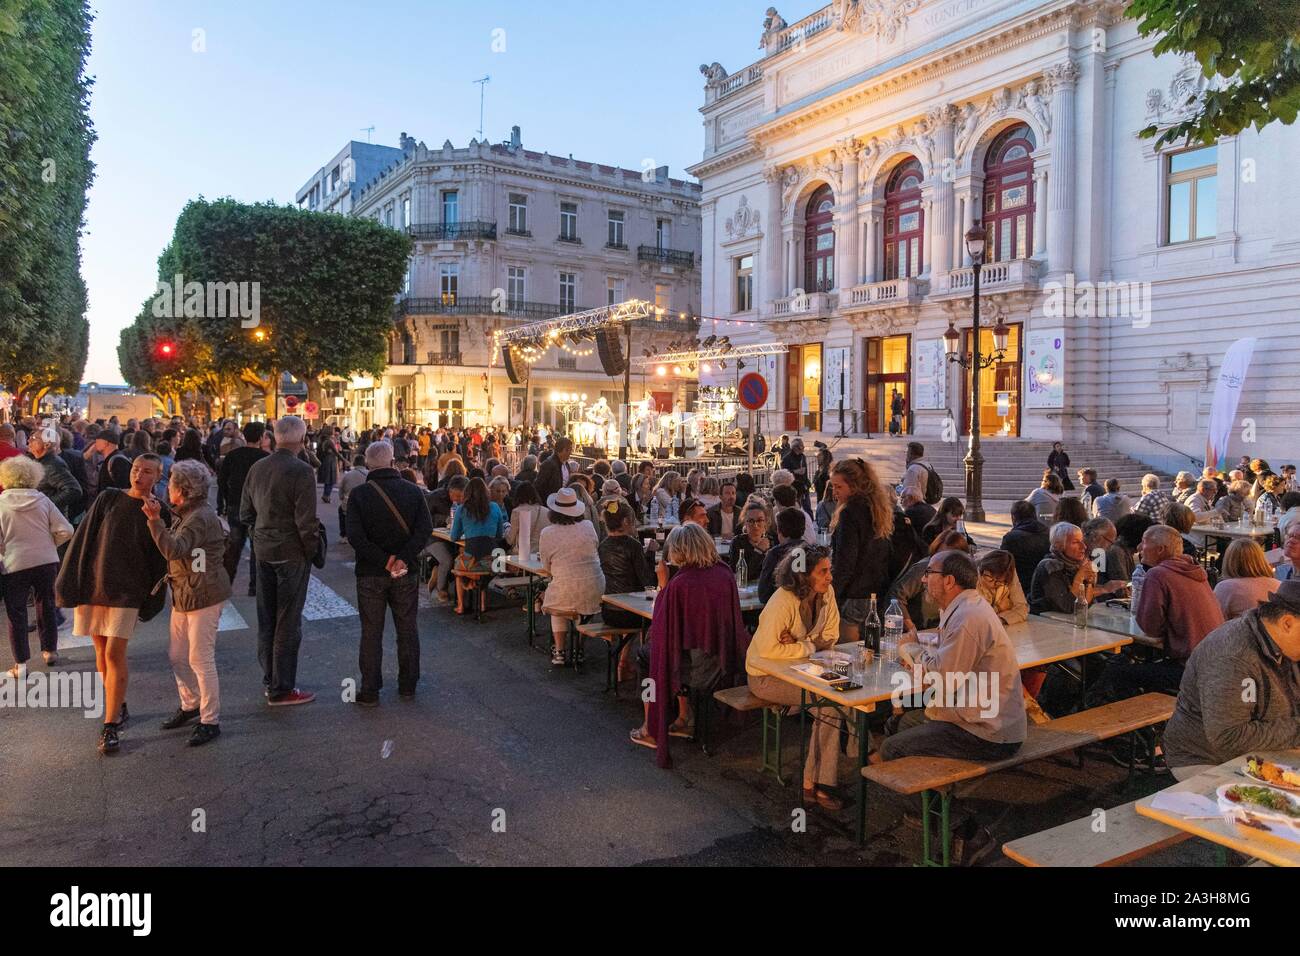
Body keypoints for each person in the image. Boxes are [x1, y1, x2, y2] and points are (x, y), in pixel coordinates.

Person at [55, 454, 170, 753]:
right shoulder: (108, 498)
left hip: (127, 592)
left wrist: (152, 598)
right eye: (135, 469)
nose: (138, 476)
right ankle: (117, 702)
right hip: (96, 585)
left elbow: (160, 558)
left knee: (115, 652)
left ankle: (109, 725)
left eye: (146, 472)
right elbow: (85, 538)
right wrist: (71, 581)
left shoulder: (159, 510)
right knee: (100, 651)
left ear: (157, 477)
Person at [878, 550, 1027, 761]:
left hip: (988, 733)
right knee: (903, 722)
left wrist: (910, 648)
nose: (923, 579)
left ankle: (939, 791)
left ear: (948, 581)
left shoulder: (967, 617)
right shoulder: (964, 607)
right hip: (983, 718)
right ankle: (934, 790)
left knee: (890, 749)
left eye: (929, 572)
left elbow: (942, 678)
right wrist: (920, 655)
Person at [635, 523, 750, 768]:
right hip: (724, 661)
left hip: (698, 669)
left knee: (647, 656)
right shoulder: (724, 572)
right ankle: (684, 715)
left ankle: (651, 725)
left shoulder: (681, 584)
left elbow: (663, 627)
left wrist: (664, 584)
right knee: (676, 653)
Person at [1162, 581, 1300, 780]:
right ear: (1287, 623)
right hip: (1206, 759)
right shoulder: (1233, 656)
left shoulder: (1284, 645)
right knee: (1285, 808)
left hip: (1264, 753)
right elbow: (1228, 736)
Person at [746, 545, 846, 808]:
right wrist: (810, 646)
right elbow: (769, 651)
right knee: (830, 705)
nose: (830, 577)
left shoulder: (827, 594)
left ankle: (865, 755)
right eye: (823, 571)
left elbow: (832, 635)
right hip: (764, 676)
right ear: (803, 575)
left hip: (803, 671)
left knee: (850, 694)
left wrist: (798, 642)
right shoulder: (783, 601)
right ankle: (814, 783)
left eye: (830, 570)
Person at [141, 459, 230, 746]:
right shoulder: (189, 513)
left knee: (199, 658)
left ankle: (210, 719)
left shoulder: (199, 517)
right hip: (186, 592)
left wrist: (155, 521)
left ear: (183, 490)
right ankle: (190, 704)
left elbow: (174, 549)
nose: (168, 489)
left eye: (171, 485)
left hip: (203, 592)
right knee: (178, 655)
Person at [1092, 525, 1224, 704]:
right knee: (1134, 667)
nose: (1139, 547)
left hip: (1189, 670)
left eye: (1144, 542)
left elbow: (1150, 628)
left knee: (1116, 673)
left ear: (1161, 549)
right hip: (1216, 665)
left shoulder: (1158, 575)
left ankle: (1137, 726)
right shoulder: (1194, 571)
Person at [239, 416, 320, 707]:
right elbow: (306, 521)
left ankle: (270, 677)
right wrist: (311, 550)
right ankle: (282, 686)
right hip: (290, 551)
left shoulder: (258, 467)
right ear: (302, 439)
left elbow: (245, 513)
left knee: (267, 618)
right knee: (287, 620)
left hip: (263, 549)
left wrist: (260, 532)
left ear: (274, 438)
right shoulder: (301, 471)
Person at [346, 440, 433, 705]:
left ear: (368, 464)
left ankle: (370, 688)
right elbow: (424, 529)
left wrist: (384, 560)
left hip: (371, 572)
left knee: (371, 631)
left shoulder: (360, 495)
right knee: (407, 627)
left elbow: (355, 537)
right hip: (405, 571)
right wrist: (403, 558)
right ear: (393, 460)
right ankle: (408, 683)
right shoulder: (412, 491)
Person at [0, 456, 73, 672]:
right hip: (45, 561)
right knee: (47, 605)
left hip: (13, 564)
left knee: (16, 612)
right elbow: (66, 530)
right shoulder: (43, 500)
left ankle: (21, 663)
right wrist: (50, 543)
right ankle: (50, 651)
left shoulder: (1, 504)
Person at [830, 458, 896, 642]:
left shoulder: (849, 512)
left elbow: (845, 561)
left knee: (847, 655)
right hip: (877, 591)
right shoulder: (877, 508)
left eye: (838, 487)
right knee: (870, 652)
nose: (834, 493)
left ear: (854, 486)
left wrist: (831, 593)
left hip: (854, 594)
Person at [540, 487, 604, 666]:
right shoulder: (588, 526)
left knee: (558, 595)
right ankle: (579, 647)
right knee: (574, 597)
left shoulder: (548, 533)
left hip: (565, 589)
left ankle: (560, 650)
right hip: (595, 587)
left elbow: (546, 568)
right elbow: (595, 547)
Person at [1028, 522, 1126, 614]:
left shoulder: (1076, 564)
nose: (1083, 547)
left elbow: (1085, 603)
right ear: (1059, 545)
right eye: (1075, 542)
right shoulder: (1050, 566)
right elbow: (1069, 606)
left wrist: (1091, 582)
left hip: (1064, 622)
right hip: (1043, 622)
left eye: (1082, 541)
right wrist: (1080, 576)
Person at [219, 421, 269, 596]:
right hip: (257, 507)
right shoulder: (264, 458)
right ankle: (255, 586)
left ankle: (225, 584)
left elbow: (222, 480)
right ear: (262, 437)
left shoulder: (233, 456)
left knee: (233, 547)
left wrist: (225, 501)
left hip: (236, 504)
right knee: (257, 547)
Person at [890, 530, 971, 633]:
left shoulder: (963, 572)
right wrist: (911, 627)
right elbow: (896, 594)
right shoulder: (925, 569)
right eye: (940, 554)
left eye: (949, 557)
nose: (942, 560)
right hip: (922, 629)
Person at [449, 475, 505, 614]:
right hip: (494, 562)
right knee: (483, 567)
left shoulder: (462, 509)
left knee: (458, 568)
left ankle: (461, 605)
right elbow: (500, 535)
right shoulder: (495, 507)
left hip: (471, 561)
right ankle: (482, 602)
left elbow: (453, 536)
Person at [597, 499, 656, 630]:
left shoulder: (602, 546)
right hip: (632, 612)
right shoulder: (632, 545)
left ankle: (624, 651)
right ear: (625, 522)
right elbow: (647, 581)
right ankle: (645, 649)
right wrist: (651, 554)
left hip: (609, 611)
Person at [1213, 539, 1281, 620]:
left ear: (1229, 560)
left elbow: (1214, 621)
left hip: (1240, 631)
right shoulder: (1279, 585)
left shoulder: (1226, 587)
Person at [27, 425, 83, 520]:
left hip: (51, 521)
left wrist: (46, 505)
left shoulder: (53, 464)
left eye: (34, 438)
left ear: (47, 445)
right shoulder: (41, 461)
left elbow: (74, 490)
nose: (29, 441)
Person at [757, 507, 808, 603]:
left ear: (779, 530)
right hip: (810, 611)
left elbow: (763, 594)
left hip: (782, 610)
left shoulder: (775, 554)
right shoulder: (813, 552)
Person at [1001, 500, 1049, 595]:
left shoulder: (1011, 538)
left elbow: (1002, 565)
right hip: (1045, 584)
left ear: (1013, 518)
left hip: (1020, 586)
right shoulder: (1049, 533)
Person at [976, 549, 1029, 626]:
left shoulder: (1008, 575)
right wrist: (999, 608)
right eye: (989, 577)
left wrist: (1001, 619)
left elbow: (1022, 609)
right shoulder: (973, 574)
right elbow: (977, 614)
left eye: (999, 582)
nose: (992, 584)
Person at [727, 503, 773, 584]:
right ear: (745, 522)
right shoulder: (738, 542)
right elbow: (741, 577)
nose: (755, 525)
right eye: (751, 521)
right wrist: (758, 551)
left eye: (759, 520)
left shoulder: (772, 541)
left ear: (765, 522)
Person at [336, 454, 369, 539]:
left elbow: (341, 492)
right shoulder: (369, 474)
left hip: (348, 503)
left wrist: (343, 498)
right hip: (366, 503)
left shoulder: (347, 475)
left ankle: (344, 535)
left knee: (341, 510)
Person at [534, 436, 573, 502]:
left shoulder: (566, 464)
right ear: (562, 450)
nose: (570, 453)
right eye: (569, 450)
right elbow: (538, 486)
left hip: (561, 502)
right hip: (550, 503)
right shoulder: (548, 464)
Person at [781, 436, 811, 510]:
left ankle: (809, 519)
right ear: (795, 448)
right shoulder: (786, 459)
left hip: (803, 485)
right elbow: (784, 473)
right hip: (794, 486)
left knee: (807, 507)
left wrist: (807, 483)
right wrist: (795, 471)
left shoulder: (803, 457)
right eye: (801, 447)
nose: (803, 449)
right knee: (796, 506)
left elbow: (805, 472)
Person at [317, 427, 340, 504]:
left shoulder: (322, 440)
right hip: (330, 461)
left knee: (328, 480)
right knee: (331, 479)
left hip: (326, 461)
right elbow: (337, 452)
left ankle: (326, 495)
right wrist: (345, 461)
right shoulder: (329, 441)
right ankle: (326, 495)